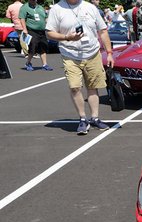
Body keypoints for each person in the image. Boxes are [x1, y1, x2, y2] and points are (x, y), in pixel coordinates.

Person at [45, 0, 114, 135]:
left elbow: (103, 30)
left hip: (92, 53)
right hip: (69, 53)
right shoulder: (57, 9)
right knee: (75, 86)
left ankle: (95, 118)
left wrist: (109, 53)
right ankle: (83, 118)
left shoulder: (90, 7)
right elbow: (49, 32)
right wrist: (67, 37)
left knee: (93, 87)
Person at [19, 0, 52, 71]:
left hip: (42, 31)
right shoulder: (24, 7)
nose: (34, 0)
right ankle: (28, 62)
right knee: (33, 46)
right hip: (32, 30)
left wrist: (49, 26)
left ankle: (45, 64)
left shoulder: (40, 7)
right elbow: (22, 19)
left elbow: (45, 17)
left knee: (43, 46)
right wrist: (24, 29)